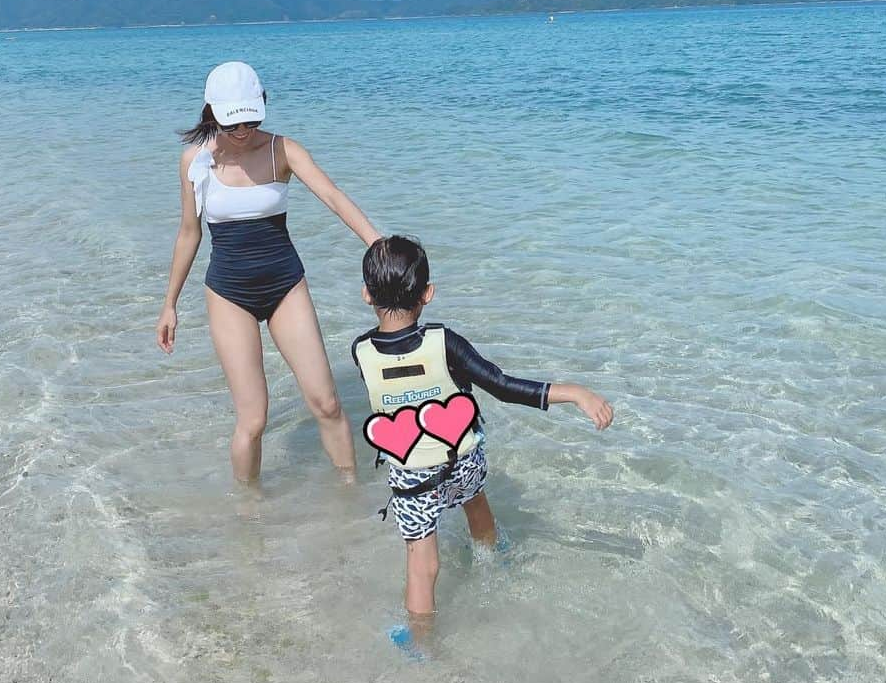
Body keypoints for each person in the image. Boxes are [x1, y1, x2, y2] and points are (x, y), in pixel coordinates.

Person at [352, 235, 613, 644]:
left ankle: (421, 645)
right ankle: (491, 561)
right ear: (428, 294)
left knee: (422, 563)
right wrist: (574, 392)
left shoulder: (361, 351)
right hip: (463, 461)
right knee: (475, 502)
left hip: (413, 477)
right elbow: (502, 385)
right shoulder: (444, 342)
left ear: (366, 294)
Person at [156, 61, 379, 482]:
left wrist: (376, 242)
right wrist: (169, 304)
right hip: (228, 293)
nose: (243, 133)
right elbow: (189, 234)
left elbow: (332, 196)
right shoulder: (195, 161)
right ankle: (249, 519)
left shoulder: (283, 150)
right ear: (211, 113)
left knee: (327, 403)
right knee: (253, 420)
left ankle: (349, 498)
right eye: (232, 125)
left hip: (285, 286)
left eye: (250, 121)